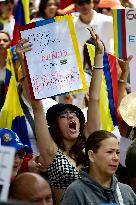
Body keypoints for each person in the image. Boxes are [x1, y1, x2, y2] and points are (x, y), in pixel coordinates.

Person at [16, 27, 104, 204]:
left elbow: (94, 99)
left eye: (74, 114)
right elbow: (37, 107)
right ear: (55, 125)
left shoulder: (90, 144)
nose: (71, 117)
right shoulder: (50, 154)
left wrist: (99, 55)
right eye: (64, 116)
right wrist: (24, 60)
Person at [61, 130, 136, 204]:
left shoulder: (126, 192)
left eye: (117, 152)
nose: (116, 158)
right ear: (91, 155)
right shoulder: (76, 192)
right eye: (109, 152)